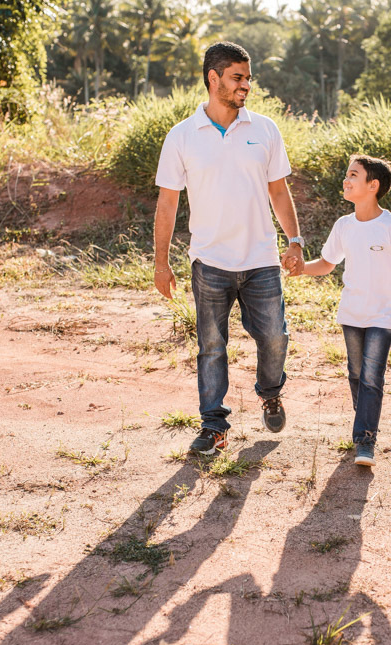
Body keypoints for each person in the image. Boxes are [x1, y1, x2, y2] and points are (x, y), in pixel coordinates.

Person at [153, 41, 305, 455]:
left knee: (275, 338)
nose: (246, 86)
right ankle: (213, 426)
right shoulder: (183, 136)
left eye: (248, 78)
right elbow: (167, 203)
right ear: (213, 79)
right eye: (238, 78)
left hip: (261, 260)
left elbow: (278, 189)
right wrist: (161, 263)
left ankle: (270, 392)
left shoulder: (265, 129)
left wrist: (294, 240)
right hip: (210, 262)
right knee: (212, 348)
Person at [291, 155, 391, 467]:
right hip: (351, 314)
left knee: (371, 377)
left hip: (382, 315)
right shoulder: (344, 226)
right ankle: (364, 419)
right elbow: (326, 264)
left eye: (353, 175)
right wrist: (301, 269)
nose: (346, 180)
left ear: (373, 185)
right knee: (356, 374)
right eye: (346, 175)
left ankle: (365, 439)